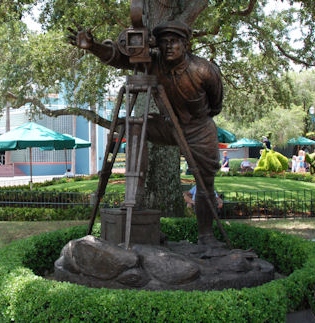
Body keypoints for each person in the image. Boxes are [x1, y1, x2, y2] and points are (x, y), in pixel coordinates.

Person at [69, 20, 224, 246]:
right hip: (168, 125)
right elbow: (120, 58)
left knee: (205, 182)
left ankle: (206, 237)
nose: (168, 47)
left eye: (174, 42)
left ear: (186, 44)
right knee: (132, 125)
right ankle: (134, 198)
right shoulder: (154, 62)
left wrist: (196, 120)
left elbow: (216, 105)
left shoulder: (203, 70)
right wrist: (94, 46)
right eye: (164, 43)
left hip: (199, 129)